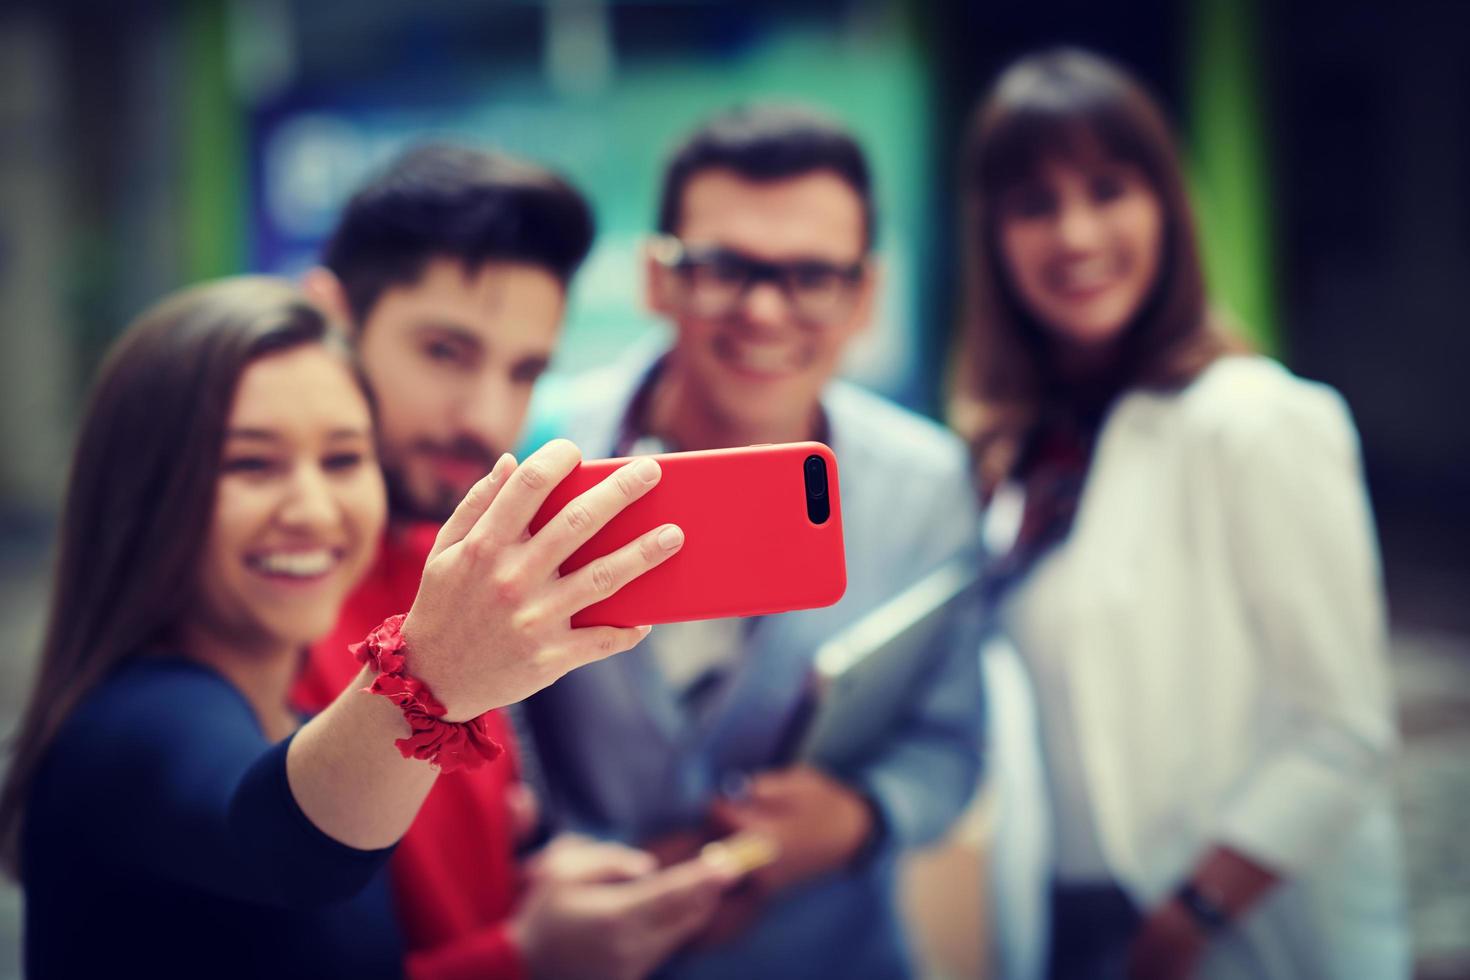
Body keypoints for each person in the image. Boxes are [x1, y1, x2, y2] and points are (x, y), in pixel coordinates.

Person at [0, 277, 735, 979]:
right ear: (145, 494)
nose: (314, 510)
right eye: (252, 464)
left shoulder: (295, 717)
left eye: (344, 458)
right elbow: (286, 846)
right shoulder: (133, 723)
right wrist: (433, 672)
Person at [954, 49, 1408, 979]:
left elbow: (1343, 730)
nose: (1074, 234)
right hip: (1055, 917)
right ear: (992, 237)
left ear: (1168, 203)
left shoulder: (1257, 421)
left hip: (1213, 925)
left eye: (1108, 188)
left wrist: (1188, 917)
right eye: (1033, 205)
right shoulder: (1024, 449)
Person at [519, 104, 986, 979]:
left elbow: (951, 741)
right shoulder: (540, 452)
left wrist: (859, 820)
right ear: (658, 280)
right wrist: (557, 855)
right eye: (725, 268)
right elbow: (482, 729)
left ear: (865, 297)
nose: (766, 312)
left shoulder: (925, 484)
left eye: (813, 275)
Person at [295, 143, 736, 980]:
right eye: (444, 352)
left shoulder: (453, 558)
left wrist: (537, 887)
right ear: (332, 319)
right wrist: (524, 957)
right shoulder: (266, 591)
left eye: (525, 370)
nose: (485, 416)